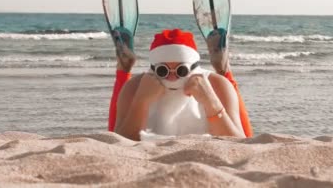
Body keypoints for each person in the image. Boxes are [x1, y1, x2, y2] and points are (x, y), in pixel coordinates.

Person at [108, 28, 253, 141]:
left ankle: (224, 68)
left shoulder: (217, 84)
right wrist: (141, 101)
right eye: (163, 70)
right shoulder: (134, 86)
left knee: (225, 81)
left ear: (195, 68)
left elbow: (240, 143)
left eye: (181, 70)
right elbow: (118, 143)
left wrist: (211, 102)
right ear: (153, 69)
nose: (172, 77)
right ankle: (123, 70)